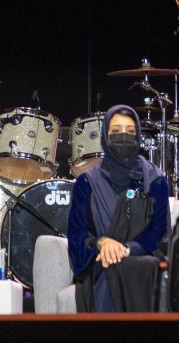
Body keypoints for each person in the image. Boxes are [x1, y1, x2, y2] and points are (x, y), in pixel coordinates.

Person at [65, 105, 170, 311]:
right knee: (109, 266)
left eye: (130, 132)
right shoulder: (86, 183)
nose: (123, 137)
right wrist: (102, 243)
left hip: (144, 262)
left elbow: (160, 234)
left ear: (139, 135)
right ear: (105, 136)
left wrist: (127, 249)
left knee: (139, 266)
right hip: (100, 263)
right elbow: (77, 236)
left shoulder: (156, 181)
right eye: (116, 132)